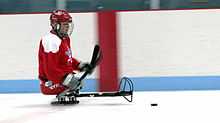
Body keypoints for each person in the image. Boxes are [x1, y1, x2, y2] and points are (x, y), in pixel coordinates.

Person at [38, 10, 90, 95]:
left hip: (60, 80)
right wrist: (67, 80)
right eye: (65, 24)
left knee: (78, 82)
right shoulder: (51, 41)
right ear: (55, 25)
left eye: (68, 24)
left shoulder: (64, 39)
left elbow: (65, 59)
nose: (68, 27)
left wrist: (80, 65)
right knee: (76, 82)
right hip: (50, 84)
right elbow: (50, 70)